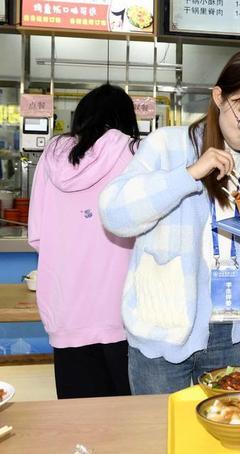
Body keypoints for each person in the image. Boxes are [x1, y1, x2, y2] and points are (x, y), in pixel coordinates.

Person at [99, 50, 240, 394]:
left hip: (232, 331)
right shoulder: (167, 145)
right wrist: (189, 175)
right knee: (160, 436)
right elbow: (114, 214)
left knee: (228, 434)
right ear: (219, 97)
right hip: (163, 327)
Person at [28, 84, 139, 398]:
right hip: (123, 313)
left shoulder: (50, 159)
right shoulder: (135, 154)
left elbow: (37, 235)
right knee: (131, 421)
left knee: (80, 420)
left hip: (66, 311)